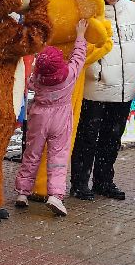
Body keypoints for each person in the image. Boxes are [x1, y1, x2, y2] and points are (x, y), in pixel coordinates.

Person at [71, 0, 135, 200]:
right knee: (87, 138)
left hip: (125, 88)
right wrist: (96, 70)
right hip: (97, 88)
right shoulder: (92, 12)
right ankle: (80, 182)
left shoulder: (133, 10)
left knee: (112, 139)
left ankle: (104, 181)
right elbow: (84, 43)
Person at [14, 30, 88, 217]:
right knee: (58, 158)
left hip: (39, 117)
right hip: (61, 118)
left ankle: (23, 192)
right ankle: (55, 195)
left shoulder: (37, 78)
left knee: (32, 154)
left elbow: (30, 83)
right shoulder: (69, 76)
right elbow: (78, 57)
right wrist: (80, 35)